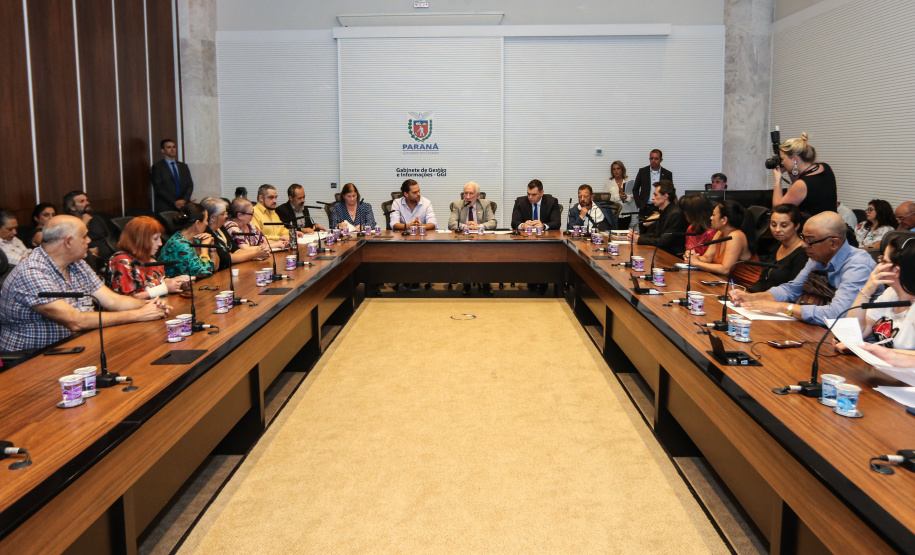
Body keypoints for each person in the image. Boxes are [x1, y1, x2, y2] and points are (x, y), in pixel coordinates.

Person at [0, 215, 172, 351]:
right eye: (84, 236)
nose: (89, 240)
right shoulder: (32, 273)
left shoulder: (77, 263)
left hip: (79, 344)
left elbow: (112, 300)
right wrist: (138, 314)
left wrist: (149, 305)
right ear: (68, 242)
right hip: (34, 358)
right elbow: (75, 321)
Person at [729, 212, 875, 327]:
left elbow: (837, 313)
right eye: (803, 238)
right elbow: (791, 290)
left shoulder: (858, 265)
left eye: (810, 241)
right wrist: (753, 297)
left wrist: (781, 307)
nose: (804, 245)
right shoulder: (817, 257)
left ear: (834, 243)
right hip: (815, 329)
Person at [837, 235, 915, 358]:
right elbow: (857, 332)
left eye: (883, 261)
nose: (878, 266)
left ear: (896, 270)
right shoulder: (890, 294)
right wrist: (867, 290)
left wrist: (872, 349)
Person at [108, 216, 190, 298]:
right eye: (155, 239)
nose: (160, 243)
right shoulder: (121, 260)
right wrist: (164, 288)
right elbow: (126, 300)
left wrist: (176, 282)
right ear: (140, 240)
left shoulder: (150, 259)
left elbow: (158, 283)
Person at [686, 200, 761, 287]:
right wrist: (693, 257)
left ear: (724, 220)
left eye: (714, 215)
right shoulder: (719, 233)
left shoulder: (736, 236)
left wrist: (696, 263)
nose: (710, 218)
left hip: (749, 288)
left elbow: (725, 269)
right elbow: (707, 258)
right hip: (730, 285)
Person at [771, 132, 836, 217]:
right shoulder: (824, 167)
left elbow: (778, 211)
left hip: (814, 228)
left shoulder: (801, 185)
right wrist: (790, 169)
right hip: (831, 225)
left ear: (795, 158)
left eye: (782, 159)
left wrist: (778, 180)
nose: (782, 162)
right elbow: (803, 188)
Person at [747, 204, 808, 293]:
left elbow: (792, 291)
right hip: (763, 297)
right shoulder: (777, 245)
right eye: (773, 224)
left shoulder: (803, 253)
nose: (777, 230)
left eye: (784, 225)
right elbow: (763, 280)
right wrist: (747, 293)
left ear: (796, 226)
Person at [618, 180, 687, 256]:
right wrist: (638, 236)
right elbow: (657, 234)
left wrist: (639, 239)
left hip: (672, 256)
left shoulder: (675, 214)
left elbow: (665, 241)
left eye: (655, 195)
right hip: (662, 253)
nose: (652, 198)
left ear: (665, 196)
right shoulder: (665, 211)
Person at [201, 197, 269, 269]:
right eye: (223, 214)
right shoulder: (207, 233)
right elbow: (226, 259)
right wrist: (255, 254)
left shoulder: (221, 228)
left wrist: (259, 251)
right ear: (212, 218)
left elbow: (236, 250)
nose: (226, 216)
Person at [158, 203, 219, 278]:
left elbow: (215, 268)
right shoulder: (179, 244)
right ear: (197, 223)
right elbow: (203, 273)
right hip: (175, 288)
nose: (207, 223)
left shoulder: (196, 239)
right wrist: (204, 248)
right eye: (206, 220)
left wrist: (212, 247)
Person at [63, 190, 113, 265]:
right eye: (82, 201)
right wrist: (84, 223)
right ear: (73, 207)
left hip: (108, 257)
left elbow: (109, 238)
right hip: (88, 259)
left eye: (87, 200)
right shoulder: (67, 223)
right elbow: (73, 243)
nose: (87, 203)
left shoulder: (97, 218)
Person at [151, 139, 194, 213]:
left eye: (174, 147)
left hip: (183, 207)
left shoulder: (183, 166)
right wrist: (175, 202)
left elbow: (190, 184)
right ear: (163, 150)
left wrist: (184, 200)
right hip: (166, 207)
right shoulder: (157, 167)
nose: (172, 149)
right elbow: (159, 188)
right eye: (169, 147)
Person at [632, 149, 673, 218]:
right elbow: (635, 189)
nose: (653, 161)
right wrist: (640, 204)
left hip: (660, 208)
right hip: (645, 207)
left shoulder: (667, 174)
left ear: (661, 160)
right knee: (643, 227)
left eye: (656, 159)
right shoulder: (643, 171)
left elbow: (670, 192)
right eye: (651, 158)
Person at [604, 160, 635, 228]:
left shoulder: (628, 181)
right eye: (614, 169)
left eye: (618, 168)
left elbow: (632, 197)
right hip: (613, 214)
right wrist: (618, 197)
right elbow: (606, 198)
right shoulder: (609, 182)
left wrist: (626, 197)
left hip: (626, 213)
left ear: (622, 170)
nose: (616, 171)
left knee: (624, 235)